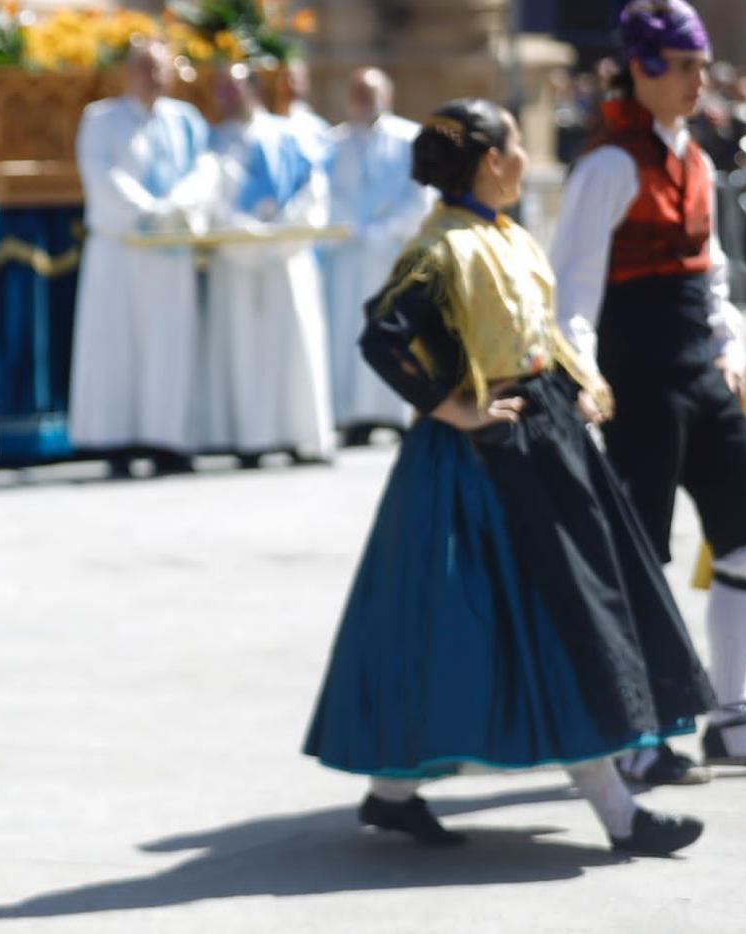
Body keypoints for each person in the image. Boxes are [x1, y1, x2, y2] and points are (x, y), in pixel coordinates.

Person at [304, 98, 712, 855]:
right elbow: (382, 336)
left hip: (547, 440)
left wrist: (582, 381)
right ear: (492, 158)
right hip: (488, 465)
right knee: (557, 624)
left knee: (523, 625)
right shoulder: (440, 249)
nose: (526, 155)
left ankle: (393, 794)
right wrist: (454, 410)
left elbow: (539, 330)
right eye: (518, 143)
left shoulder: (504, 233)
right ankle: (621, 815)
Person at [548, 0, 746, 782]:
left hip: (701, 378)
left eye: (704, 66)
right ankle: (638, 737)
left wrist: (727, 344)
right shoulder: (606, 166)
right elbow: (574, 290)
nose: (700, 80)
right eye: (685, 66)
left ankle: (730, 721)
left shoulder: (699, 159)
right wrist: (585, 376)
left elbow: (710, 272)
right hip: (634, 381)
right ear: (640, 69)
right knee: (642, 559)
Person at [67, 37, 214, 474]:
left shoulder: (186, 121)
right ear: (129, 72)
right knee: (118, 345)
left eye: (160, 68)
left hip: (169, 251)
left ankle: (170, 439)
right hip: (122, 250)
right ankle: (118, 441)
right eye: (145, 68)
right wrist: (145, 212)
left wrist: (173, 210)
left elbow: (204, 173)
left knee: (170, 344)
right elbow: (101, 172)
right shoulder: (102, 119)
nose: (153, 77)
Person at [198, 63, 336, 465]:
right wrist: (246, 237)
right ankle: (249, 438)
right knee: (243, 349)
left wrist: (281, 237)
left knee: (295, 349)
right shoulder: (212, 143)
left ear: (253, 89)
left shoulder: (289, 134)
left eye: (233, 86)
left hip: (287, 259)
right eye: (219, 87)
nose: (226, 95)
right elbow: (210, 200)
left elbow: (313, 191)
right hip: (238, 262)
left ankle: (300, 436)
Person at [323, 68, 432, 443]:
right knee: (350, 330)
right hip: (350, 256)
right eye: (358, 94)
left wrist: (387, 230)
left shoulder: (409, 138)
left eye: (371, 94)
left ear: (387, 97)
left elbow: (420, 192)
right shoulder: (333, 143)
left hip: (393, 253)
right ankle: (353, 414)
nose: (364, 102)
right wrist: (353, 226)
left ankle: (397, 410)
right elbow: (327, 193)